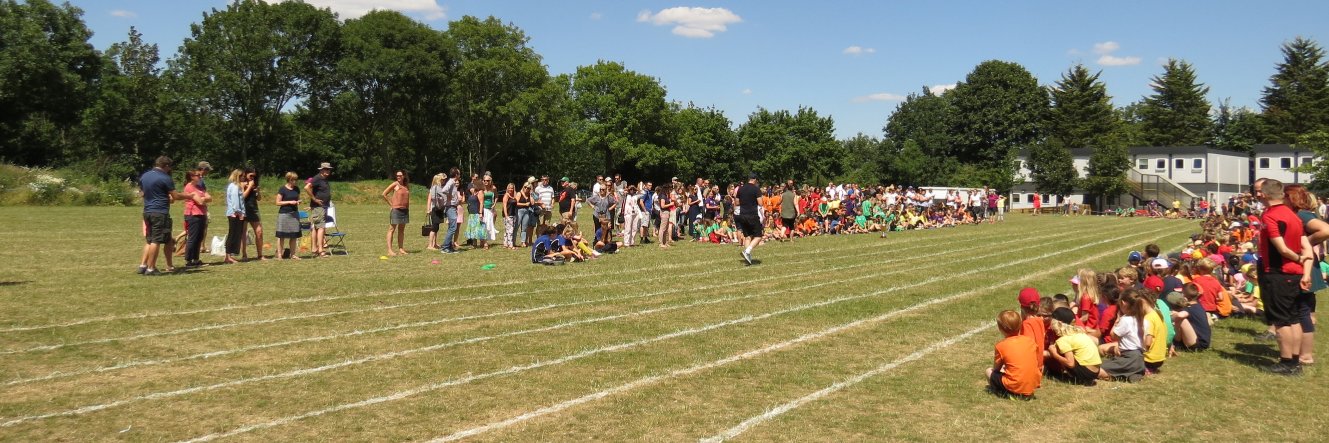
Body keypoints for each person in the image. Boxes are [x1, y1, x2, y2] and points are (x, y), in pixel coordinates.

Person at [1257, 178, 1312, 375]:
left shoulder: (1271, 216)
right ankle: (1295, 361)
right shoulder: (1292, 215)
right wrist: (1303, 263)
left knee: (1281, 321)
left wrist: (1298, 258)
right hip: (1294, 275)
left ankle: (1287, 362)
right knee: (1294, 318)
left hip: (1279, 273)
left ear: (1263, 194)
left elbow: (1281, 248)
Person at [137, 156, 203, 275]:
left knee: (157, 240)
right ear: (166, 166)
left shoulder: (145, 175)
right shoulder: (165, 177)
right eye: (169, 167)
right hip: (160, 213)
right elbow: (176, 196)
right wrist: (190, 196)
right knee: (155, 241)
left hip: (147, 211)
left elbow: (142, 193)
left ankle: (143, 265)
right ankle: (151, 269)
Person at [1098, 289, 1150, 382]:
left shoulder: (1125, 320)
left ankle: (1118, 375)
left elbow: (1113, 336)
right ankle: (1133, 374)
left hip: (1128, 357)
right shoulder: (1143, 319)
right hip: (1140, 358)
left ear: (1123, 303)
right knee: (1118, 364)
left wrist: (1117, 321)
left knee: (1097, 369)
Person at [988, 310, 1039, 399]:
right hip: (1032, 384)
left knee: (988, 371)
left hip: (1015, 385)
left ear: (1000, 329)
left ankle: (1005, 393)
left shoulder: (1001, 346)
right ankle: (1023, 391)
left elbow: (996, 369)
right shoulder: (1030, 341)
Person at [1048, 307, 1100, 386]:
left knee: (1060, 351)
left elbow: (1070, 363)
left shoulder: (1063, 340)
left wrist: (1054, 354)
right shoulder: (1078, 333)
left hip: (1087, 373)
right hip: (1096, 372)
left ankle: (1077, 378)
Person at [181, 169, 212, 267]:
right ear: (192, 177)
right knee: (193, 237)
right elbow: (200, 202)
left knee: (199, 237)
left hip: (201, 214)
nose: (200, 177)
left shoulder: (199, 187)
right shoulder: (189, 187)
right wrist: (202, 199)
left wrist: (201, 198)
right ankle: (189, 260)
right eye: (198, 175)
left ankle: (196, 259)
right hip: (192, 215)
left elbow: (209, 198)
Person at [272, 172, 303, 260]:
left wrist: (298, 201)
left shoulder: (297, 189)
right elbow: (277, 202)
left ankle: (292, 254)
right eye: (294, 180)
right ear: (289, 180)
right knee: (281, 235)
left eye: (296, 180)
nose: (296, 182)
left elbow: (297, 198)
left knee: (294, 235)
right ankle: (279, 255)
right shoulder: (282, 189)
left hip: (294, 214)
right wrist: (289, 202)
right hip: (284, 214)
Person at [305, 163, 333, 258]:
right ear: (321, 170)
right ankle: (320, 250)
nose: (327, 171)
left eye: (328, 169)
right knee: (320, 228)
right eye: (325, 169)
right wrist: (314, 199)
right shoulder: (317, 178)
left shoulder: (324, 179)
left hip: (323, 207)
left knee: (317, 227)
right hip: (319, 207)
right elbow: (307, 187)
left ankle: (315, 249)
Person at [735, 173, 764, 265]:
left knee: (748, 236)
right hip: (752, 215)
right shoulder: (756, 188)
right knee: (758, 236)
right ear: (755, 179)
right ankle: (747, 251)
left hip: (742, 214)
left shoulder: (741, 188)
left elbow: (736, 202)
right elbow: (760, 203)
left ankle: (748, 258)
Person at [1017, 288, 1047, 372]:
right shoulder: (1040, 320)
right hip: (1039, 364)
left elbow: (1028, 347)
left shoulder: (1027, 324)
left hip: (1031, 367)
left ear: (1022, 306)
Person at [381, 170, 410, 256]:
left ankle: (401, 249)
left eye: (400, 175)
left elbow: (407, 198)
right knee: (392, 229)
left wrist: (407, 208)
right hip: (396, 210)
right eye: (397, 175)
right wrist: (392, 204)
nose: (398, 177)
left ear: (404, 176)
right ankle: (390, 250)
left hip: (405, 210)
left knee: (401, 230)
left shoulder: (406, 186)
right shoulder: (395, 184)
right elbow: (384, 194)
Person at [241, 168, 266, 261]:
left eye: (254, 176)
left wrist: (258, 191)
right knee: (243, 233)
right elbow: (242, 197)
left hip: (254, 209)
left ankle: (260, 255)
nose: (252, 177)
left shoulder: (254, 184)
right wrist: (249, 186)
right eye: (251, 175)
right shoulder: (241, 183)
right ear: (245, 174)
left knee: (259, 232)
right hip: (243, 210)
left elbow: (258, 198)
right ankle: (244, 254)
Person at [223, 169, 246, 265]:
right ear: (237, 176)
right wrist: (239, 213)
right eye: (242, 176)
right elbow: (235, 202)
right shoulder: (235, 187)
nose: (243, 177)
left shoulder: (233, 186)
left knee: (234, 234)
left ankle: (229, 256)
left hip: (234, 213)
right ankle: (228, 257)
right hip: (235, 214)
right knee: (232, 235)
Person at [439, 167, 462, 254]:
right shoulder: (451, 181)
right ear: (456, 174)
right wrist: (449, 196)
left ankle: (449, 247)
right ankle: (445, 247)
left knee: (451, 227)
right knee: (453, 227)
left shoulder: (452, 182)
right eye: (459, 173)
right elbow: (444, 190)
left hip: (453, 207)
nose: (459, 175)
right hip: (450, 207)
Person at [425, 174, 446, 250]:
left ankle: (435, 243)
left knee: (436, 227)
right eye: (442, 180)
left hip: (439, 209)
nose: (443, 181)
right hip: (434, 209)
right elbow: (429, 199)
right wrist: (428, 209)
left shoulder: (439, 188)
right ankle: (430, 245)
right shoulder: (433, 188)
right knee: (434, 228)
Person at [502, 182, 518, 249]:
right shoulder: (506, 195)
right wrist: (506, 216)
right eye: (510, 188)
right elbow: (504, 206)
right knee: (510, 231)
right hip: (508, 215)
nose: (511, 189)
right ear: (507, 188)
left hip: (513, 214)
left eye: (512, 188)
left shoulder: (514, 196)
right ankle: (510, 245)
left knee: (507, 230)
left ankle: (505, 244)